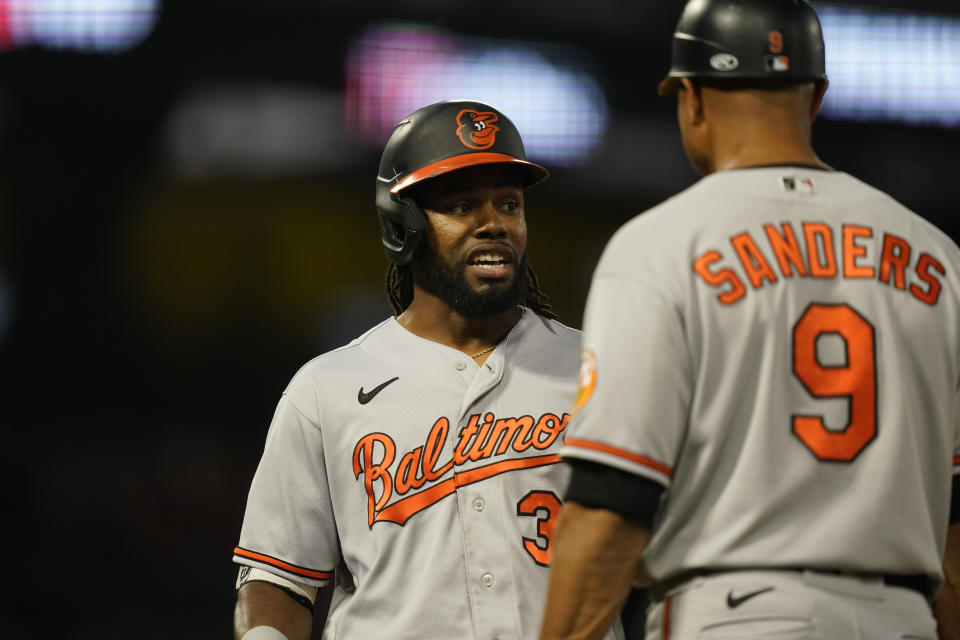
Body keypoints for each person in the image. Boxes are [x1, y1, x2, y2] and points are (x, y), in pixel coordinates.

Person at [539, 1, 960, 638]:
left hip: (737, 613)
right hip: (903, 618)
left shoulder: (660, 246)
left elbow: (612, 504)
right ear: (816, 97)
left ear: (692, 100)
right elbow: (955, 530)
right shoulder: (938, 256)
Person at [231, 99, 624, 640]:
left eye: (509, 204)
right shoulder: (328, 389)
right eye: (462, 207)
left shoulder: (598, 371)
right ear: (403, 225)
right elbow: (277, 578)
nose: (494, 224)